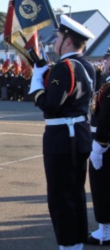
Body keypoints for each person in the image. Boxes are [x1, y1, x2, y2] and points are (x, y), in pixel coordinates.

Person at [29, 15, 95, 250]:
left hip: (62, 138)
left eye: (58, 37)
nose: (54, 42)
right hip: (78, 133)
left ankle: (68, 245)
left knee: (60, 197)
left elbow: (50, 105)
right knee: (74, 193)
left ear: (67, 40)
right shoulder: (85, 65)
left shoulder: (63, 66)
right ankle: (75, 242)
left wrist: (37, 81)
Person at [87, 48, 110, 245]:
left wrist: (99, 146)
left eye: (108, 59)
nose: (105, 61)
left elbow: (105, 119)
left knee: (102, 187)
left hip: (105, 145)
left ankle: (104, 232)